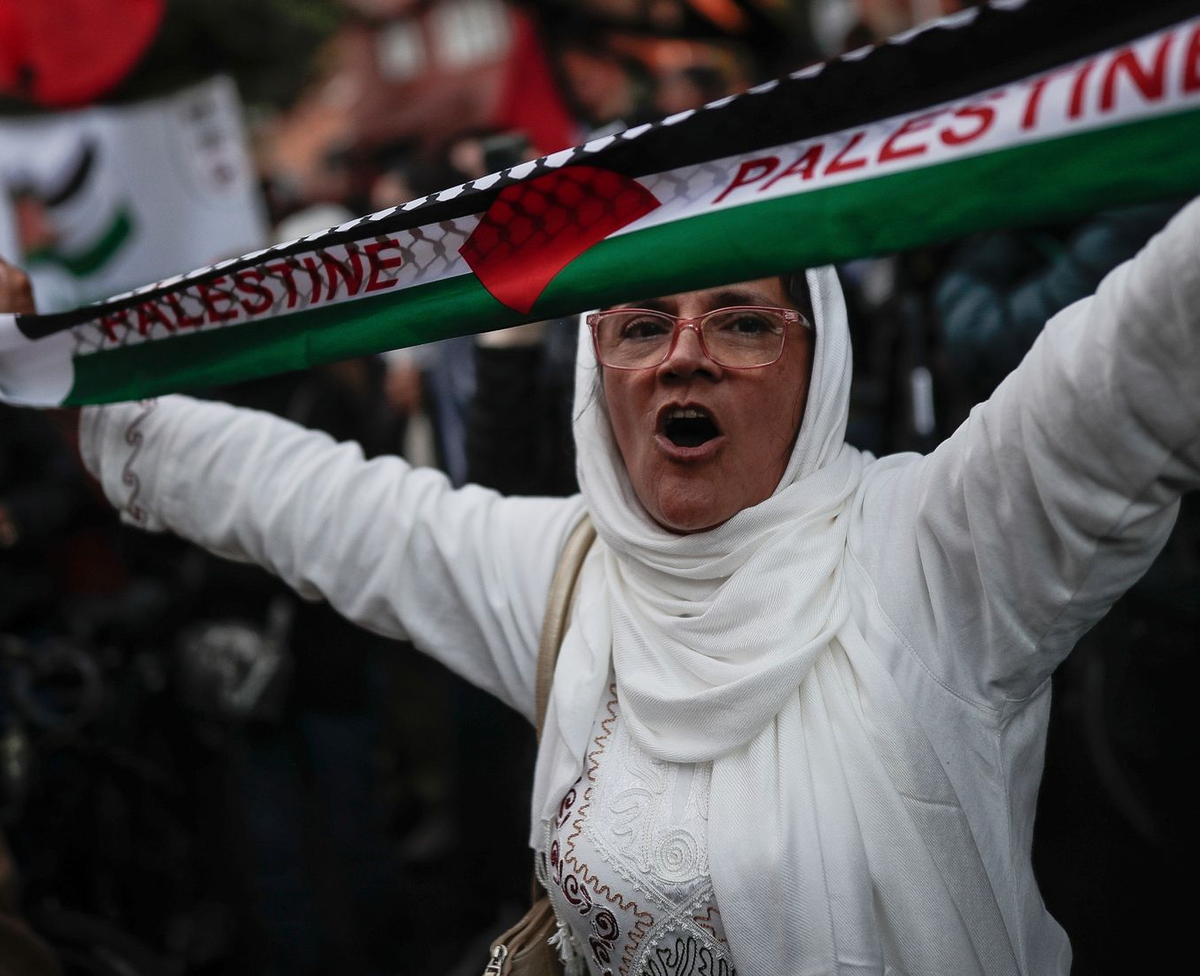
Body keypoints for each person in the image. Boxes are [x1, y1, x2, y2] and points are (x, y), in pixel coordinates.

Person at [3, 192, 1200, 975]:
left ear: (819, 362)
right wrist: (46, 372)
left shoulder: (941, 553)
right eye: (639, 325)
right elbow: (314, 503)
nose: (683, 352)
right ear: (598, 372)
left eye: (742, 321)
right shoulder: (574, 574)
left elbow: (1140, 355)